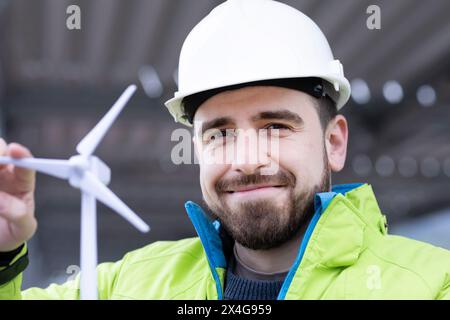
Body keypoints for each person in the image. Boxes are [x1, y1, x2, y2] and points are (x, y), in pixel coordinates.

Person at [1, 0, 449, 300]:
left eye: (274, 127)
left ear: (333, 143)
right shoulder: (129, 285)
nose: (246, 160)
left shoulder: (431, 285)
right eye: (220, 134)